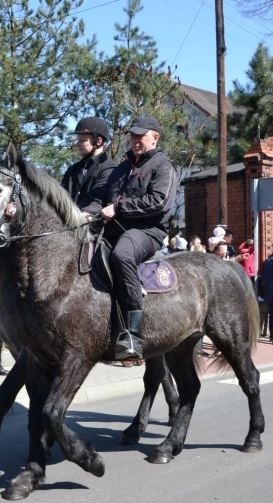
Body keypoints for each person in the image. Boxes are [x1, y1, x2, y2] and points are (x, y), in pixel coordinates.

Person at [83, 115, 177, 359]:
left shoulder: (163, 166)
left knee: (122, 255)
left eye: (140, 136)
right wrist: (85, 213)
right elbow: (101, 198)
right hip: (113, 228)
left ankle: (133, 335)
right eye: (132, 136)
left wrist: (119, 208)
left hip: (147, 230)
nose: (135, 140)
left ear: (155, 137)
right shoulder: (122, 167)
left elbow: (160, 202)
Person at [61, 117, 117, 212]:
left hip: (93, 223)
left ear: (98, 141)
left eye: (82, 140)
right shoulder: (72, 170)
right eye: (77, 140)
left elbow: (97, 199)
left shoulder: (111, 169)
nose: (77, 144)